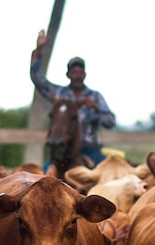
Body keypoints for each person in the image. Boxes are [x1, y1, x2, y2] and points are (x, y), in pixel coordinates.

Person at [30, 30, 116, 174]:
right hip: (63, 152)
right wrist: (39, 49)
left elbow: (110, 121)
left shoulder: (94, 97)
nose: (77, 76)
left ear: (85, 74)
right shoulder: (60, 94)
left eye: (80, 73)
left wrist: (96, 109)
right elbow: (37, 78)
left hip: (90, 150)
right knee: (42, 177)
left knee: (106, 176)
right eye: (74, 73)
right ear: (68, 74)